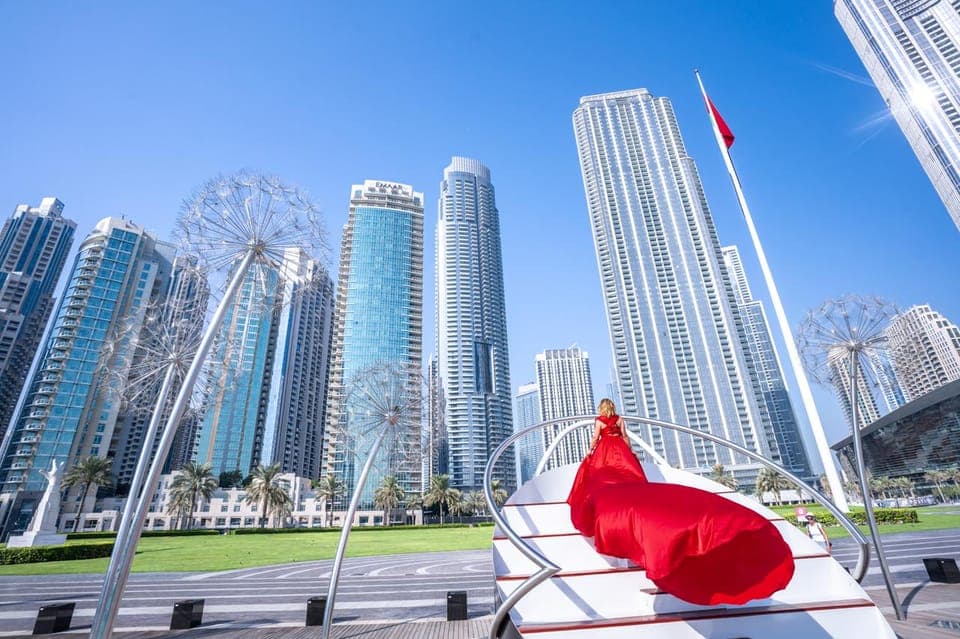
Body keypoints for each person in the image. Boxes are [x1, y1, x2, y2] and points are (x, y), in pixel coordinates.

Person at [566, 398, 795, 606]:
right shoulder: (619, 419)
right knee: (629, 476)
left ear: (601, 409)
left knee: (604, 475)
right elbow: (625, 437)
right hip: (620, 450)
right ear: (613, 408)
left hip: (605, 450)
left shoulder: (599, 421)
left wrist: (590, 452)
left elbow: (595, 439)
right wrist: (630, 451)